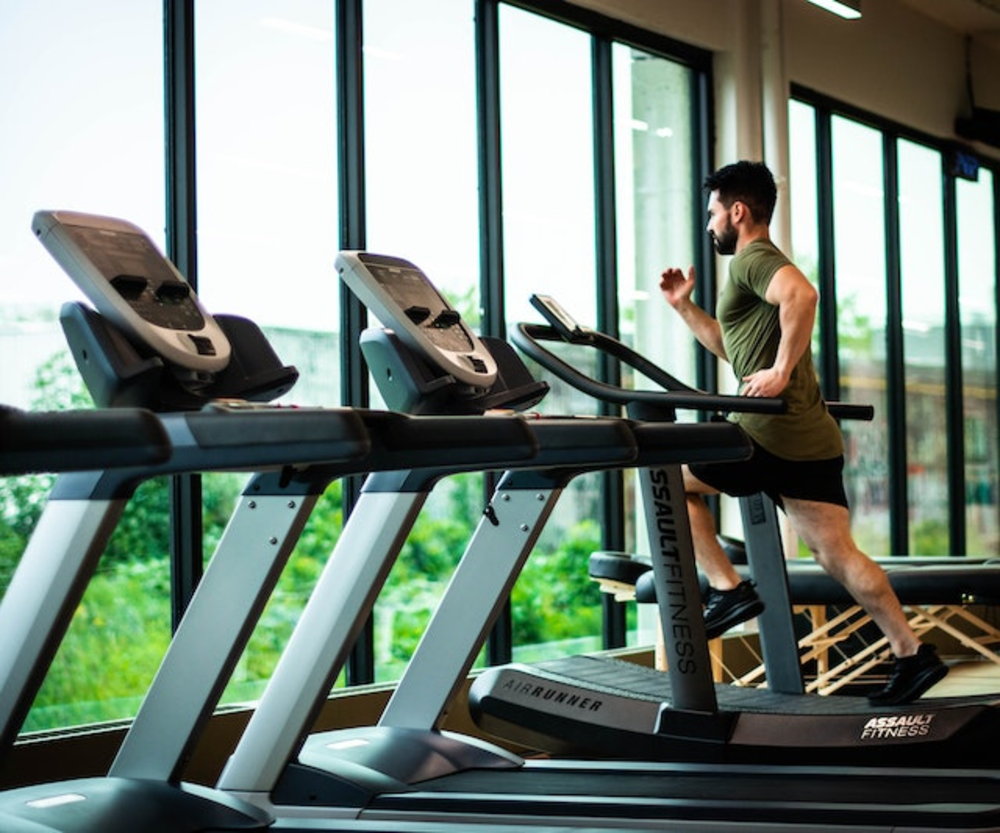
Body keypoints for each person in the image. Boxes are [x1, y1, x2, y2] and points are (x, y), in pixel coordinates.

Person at [659, 160, 947, 706]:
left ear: (736, 211)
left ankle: (727, 590)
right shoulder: (754, 270)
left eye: (713, 213)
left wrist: (782, 372)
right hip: (810, 438)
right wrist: (684, 308)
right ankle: (912, 653)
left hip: (764, 433)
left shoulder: (755, 260)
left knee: (667, 478)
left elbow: (804, 297)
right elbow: (733, 348)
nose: (709, 224)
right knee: (838, 554)